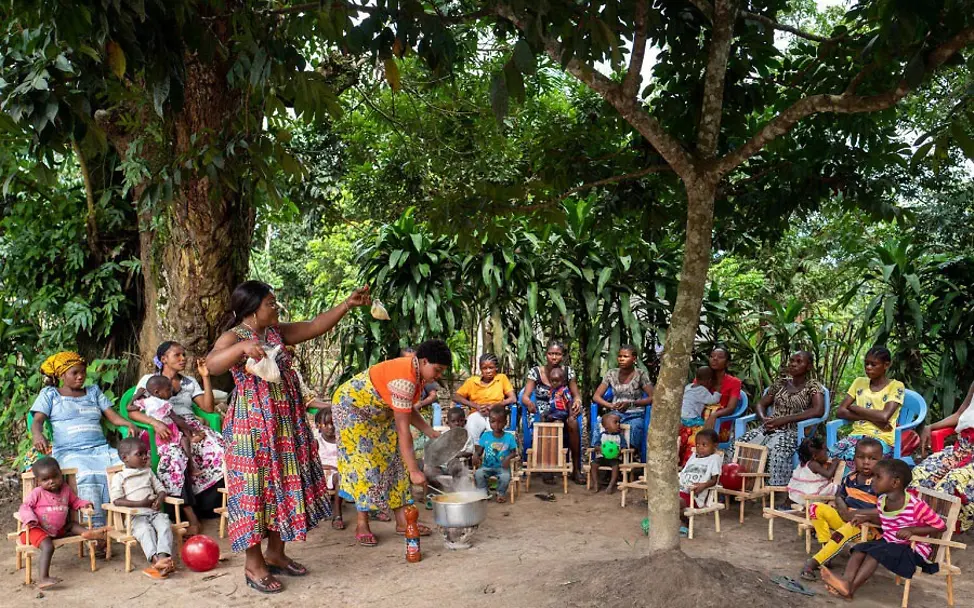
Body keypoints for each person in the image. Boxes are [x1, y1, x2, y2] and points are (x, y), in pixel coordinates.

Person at [207, 280, 371, 594]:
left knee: (282, 485)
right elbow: (213, 363)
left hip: (285, 425)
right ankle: (253, 566)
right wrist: (241, 349)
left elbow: (313, 326)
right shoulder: (235, 336)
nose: (276, 306)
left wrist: (347, 305)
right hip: (251, 429)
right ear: (253, 308)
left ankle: (277, 554)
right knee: (254, 493)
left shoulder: (275, 332)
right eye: (270, 302)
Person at [332, 339, 449, 548]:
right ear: (423, 361)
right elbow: (403, 430)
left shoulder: (415, 373)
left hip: (378, 412)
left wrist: (429, 431)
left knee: (396, 461)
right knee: (365, 464)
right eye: (437, 370)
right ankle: (362, 524)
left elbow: (407, 409)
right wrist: (414, 471)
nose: (438, 376)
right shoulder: (404, 378)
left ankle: (403, 522)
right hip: (351, 410)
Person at [29, 351, 136, 528]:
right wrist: (38, 435)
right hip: (70, 452)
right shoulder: (50, 394)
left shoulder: (93, 391)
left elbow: (114, 417)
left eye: (83, 372)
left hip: (100, 450)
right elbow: (37, 421)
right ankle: (94, 526)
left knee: (127, 467)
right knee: (86, 474)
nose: (80, 377)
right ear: (62, 375)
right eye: (75, 373)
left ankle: (130, 521)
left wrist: (128, 424)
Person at [132, 341, 225, 535]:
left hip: (190, 424)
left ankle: (212, 505)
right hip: (163, 427)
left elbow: (207, 409)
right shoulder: (149, 380)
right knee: (176, 457)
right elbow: (132, 411)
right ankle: (185, 512)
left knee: (219, 448)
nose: (183, 359)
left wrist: (205, 377)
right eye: (177, 355)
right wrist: (156, 424)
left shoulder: (189, 382)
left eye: (184, 355)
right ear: (164, 359)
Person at [820, 459, 945, 600]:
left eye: (878, 477)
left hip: (913, 550)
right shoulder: (882, 500)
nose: (872, 480)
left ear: (895, 483)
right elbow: (883, 515)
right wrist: (865, 518)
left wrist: (912, 530)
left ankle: (850, 590)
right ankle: (845, 582)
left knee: (876, 553)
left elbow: (940, 526)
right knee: (859, 549)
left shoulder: (916, 505)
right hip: (890, 543)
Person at [732, 351, 826, 486]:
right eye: (792, 360)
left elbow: (818, 410)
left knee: (777, 450)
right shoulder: (780, 384)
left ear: (809, 366)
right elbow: (760, 404)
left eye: (799, 362)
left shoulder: (812, 386)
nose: (793, 364)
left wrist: (785, 420)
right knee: (739, 445)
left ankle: (776, 489)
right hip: (769, 427)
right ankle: (738, 484)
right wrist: (764, 419)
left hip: (793, 431)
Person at [800, 437, 883, 581]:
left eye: (872, 458)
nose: (866, 462)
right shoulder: (850, 478)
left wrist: (855, 515)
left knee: (842, 532)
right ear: (854, 458)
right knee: (815, 508)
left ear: (881, 461)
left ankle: (812, 563)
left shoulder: (881, 484)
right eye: (860, 457)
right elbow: (839, 496)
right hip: (846, 518)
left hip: (866, 527)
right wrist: (844, 510)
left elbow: (883, 513)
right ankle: (827, 549)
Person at [17, 457, 106, 590]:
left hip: (57, 530)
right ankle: (43, 578)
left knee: (72, 525)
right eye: (45, 479)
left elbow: (75, 502)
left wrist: (84, 504)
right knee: (48, 546)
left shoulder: (65, 489)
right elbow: (25, 507)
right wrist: (30, 519)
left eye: (55, 477)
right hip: (35, 530)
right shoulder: (37, 493)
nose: (51, 481)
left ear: (61, 474)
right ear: (38, 481)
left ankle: (87, 533)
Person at [913, 379, 974, 532]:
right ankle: (912, 522)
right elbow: (960, 414)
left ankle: (934, 530)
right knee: (920, 474)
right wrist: (930, 426)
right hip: (959, 450)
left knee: (951, 482)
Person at [109, 438, 176, 579]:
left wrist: (160, 499)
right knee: (145, 530)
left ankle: (163, 558)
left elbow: (161, 489)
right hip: (135, 516)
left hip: (154, 512)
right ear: (125, 458)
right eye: (139, 454)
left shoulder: (148, 472)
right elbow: (117, 500)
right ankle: (155, 560)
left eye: (146, 453)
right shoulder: (119, 477)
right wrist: (141, 503)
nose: (145, 456)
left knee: (165, 524)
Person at [522, 340, 584, 483]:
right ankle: (547, 467)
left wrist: (577, 402)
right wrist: (529, 403)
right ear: (546, 354)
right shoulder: (536, 372)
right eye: (551, 354)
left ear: (562, 356)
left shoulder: (568, 372)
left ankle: (576, 469)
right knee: (547, 423)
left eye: (557, 354)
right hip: (541, 410)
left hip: (563, 408)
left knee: (573, 423)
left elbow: (576, 395)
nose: (554, 357)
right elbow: (525, 396)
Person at [830, 346, 904, 464]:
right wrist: (874, 419)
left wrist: (855, 408)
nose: (868, 368)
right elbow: (840, 412)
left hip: (882, 438)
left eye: (873, 365)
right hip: (857, 435)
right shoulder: (859, 382)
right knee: (830, 455)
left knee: (851, 458)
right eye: (866, 364)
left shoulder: (896, 386)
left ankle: (849, 482)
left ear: (886, 365)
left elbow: (884, 416)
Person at [679, 347, 742, 465]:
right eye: (712, 356)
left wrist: (714, 416)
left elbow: (731, 407)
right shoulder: (701, 378)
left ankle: (691, 470)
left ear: (727, 363)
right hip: (695, 420)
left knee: (695, 439)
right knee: (678, 435)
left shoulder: (734, 382)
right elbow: (689, 399)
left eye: (720, 357)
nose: (715, 359)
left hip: (719, 424)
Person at [592, 345, 654, 461]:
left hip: (635, 414)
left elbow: (652, 397)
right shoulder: (611, 374)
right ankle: (601, 456)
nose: (621, 359)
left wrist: (631, 404)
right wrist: (610, 405)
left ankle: (627, 457)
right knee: (600, 424)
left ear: (634, 359)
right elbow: (596, 396)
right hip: (616, 414)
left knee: (635, 427)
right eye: (620, 356)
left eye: (625, 356)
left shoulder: (640, 375)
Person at [137, 375, 199, 477]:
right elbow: (177, 420)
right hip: (167, 433)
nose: (171, 391)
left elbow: (129, 408)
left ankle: (191, 466)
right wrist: (193, 429)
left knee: (184, 438)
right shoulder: (163, 404)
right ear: (157, 392)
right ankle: (191, 467)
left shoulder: (146, 401)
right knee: (185, 441)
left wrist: (137, 395)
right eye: (168, 389)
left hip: (155, 433)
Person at [454, 353, 516, 451]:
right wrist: (476, 406)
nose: (488, 371)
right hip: (477, 413)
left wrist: (494, 406)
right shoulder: (472, 381)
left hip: (496, 413)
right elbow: (456, 396)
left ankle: (494, 456)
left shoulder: (501, 379)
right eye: (484, 368)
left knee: (495, 431)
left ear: (496, 368)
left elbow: (512, 398)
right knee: (470, 426)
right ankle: (473, 455)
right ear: (480, 368)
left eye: (491, 368)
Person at [679, 429, 722, 536]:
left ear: (715, 445)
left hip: (695, 496)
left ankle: (684, 524)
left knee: (675, 502)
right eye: (697, 445)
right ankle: (676, 523)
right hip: (681, 490)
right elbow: (684, 472)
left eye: (704, 445)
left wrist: (703, 485)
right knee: (665, 498)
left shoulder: (714, 459)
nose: (700, 448)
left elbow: (714, 480)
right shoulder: (693, 457)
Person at [473, 406, 518, 503]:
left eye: (500, 422)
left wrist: (508, 458)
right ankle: (483, 492)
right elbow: (479, 451)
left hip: (502, 467)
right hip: (486, 466)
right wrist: (476, 455)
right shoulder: (486, 435)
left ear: (505, 423)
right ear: (489, 422)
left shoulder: (509, 437)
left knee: (505, 477)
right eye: (493, 422)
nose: (496, 425)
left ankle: (500, 493)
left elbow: (514, 452)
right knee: (478, 473)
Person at [312, 408, 344, 531]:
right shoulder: (317, 441)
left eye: (333, 423)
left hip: (341, 470)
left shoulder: (341, 440)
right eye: (326, 424)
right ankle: (337, 514)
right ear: (318, 426)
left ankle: (374, 510)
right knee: (339, 478)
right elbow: (313, 463)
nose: (330, 427)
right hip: (324, 473)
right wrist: (330, 467)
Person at [787, 437, 840, 506]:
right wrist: (834, 463)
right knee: (838, 488)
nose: (827, 455)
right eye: (825, 453)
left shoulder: (804, 464)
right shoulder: (813, 464)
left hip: (800, 495)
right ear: (815, 456)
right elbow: (828, 474)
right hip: (811, 497)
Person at [590, 411, 628, 494]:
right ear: (606, 426)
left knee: (615, 467)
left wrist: (620, 452)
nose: (618, 424)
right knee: (593, 464)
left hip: (614, 458)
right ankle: (596, 483)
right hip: (602, 457)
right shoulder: (602, 435)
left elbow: (624, 446)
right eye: (615, 422)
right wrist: (598, 448)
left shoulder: (619, 436)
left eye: (619, 422)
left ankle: (610, 485)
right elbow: (596, 445)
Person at [401, 347, 440, 414]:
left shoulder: (424, 375)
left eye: (413, 360)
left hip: (421, 411)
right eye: (406, 360)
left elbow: (433, 396)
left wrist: (419, 404)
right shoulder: (397, 377)